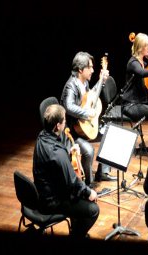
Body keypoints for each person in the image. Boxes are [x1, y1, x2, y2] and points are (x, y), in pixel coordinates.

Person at [33, 104, 99, 237]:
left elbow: (55, 165)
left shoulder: (41, 136)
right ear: (58, 126)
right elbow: (72, 183)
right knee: (93, 209)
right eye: (64, 121)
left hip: (43, 191)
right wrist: (89, 192)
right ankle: (76, 235)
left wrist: (67, 154)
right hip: (52, 202)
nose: (65, 123)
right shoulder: (57, 154)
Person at [60, 51, 116, 184]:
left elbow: (91, 96)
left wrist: (101, 80)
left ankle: (102, 172)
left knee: (110, 132)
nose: (92, 70)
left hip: (84, 127)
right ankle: (87, 185)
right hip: (72, 132)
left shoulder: (84, 82)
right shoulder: (71, 85)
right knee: (89, 151)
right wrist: (87, 113)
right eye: (89, 67)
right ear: (80, 70)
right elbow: (68, 107)